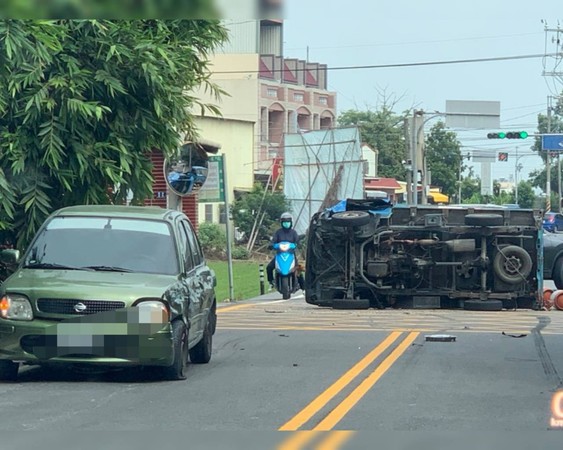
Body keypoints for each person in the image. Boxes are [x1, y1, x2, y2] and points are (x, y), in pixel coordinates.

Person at [266, 212, 305, 292]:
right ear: (281, 223)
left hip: (291, 255)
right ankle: (271, 282)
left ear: (291, 223)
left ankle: (303, 288)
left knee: (298, 270)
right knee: (269, 267)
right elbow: (273, 241)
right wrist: (271, 245)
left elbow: (297, 240)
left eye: (288, 222)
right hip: (279, 255)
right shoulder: (278, 232)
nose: (286, 224)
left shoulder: (293, 232)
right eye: (284, 222)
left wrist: (299, 244)